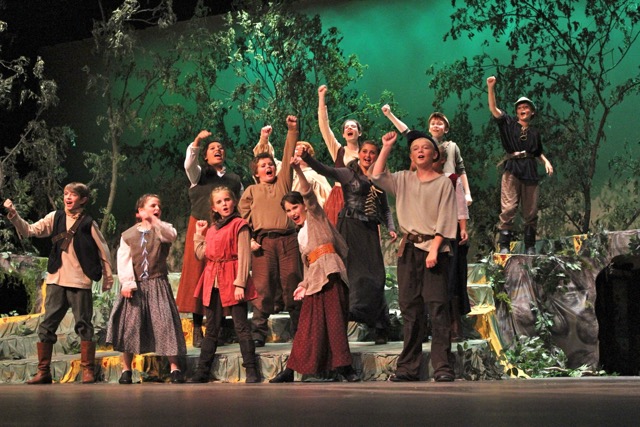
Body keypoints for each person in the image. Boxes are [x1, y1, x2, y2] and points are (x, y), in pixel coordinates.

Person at [3, 182, 113, 384]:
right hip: (56, 280)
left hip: (79, 281)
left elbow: (103, 250)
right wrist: (14, 215)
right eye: (65, 194)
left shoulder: (88, 222)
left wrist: (108, 276)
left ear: (83, 200)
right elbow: (29, 230)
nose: (68, 197)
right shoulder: (56, 217)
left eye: (73, 195)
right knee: (47, 326)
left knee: (84, 325)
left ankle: (87, 369)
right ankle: (43, 371)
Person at [371, 131, 458, 382]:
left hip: (435, 250)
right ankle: (408, 368)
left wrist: (434, 248)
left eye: (425, 147)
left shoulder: (443, 183)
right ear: (411, 156)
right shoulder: (403, 179)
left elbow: (446, 217)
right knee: (410, 309)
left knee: (437, 308)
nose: (420, 150)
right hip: (409, 249)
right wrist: (386, 147)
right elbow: (376, 176)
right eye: (415, 148)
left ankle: (442, 367)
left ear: (435, 155)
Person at [270, 153, 358, 383]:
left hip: (331, 274)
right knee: (307, 327)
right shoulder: (300, 235)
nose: (293, 213)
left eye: (295, 207)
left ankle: (345, 368)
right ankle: (291, 370)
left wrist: (298, 170)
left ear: (303, 207)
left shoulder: (316, 217)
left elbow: (308, 194)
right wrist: (303, 284)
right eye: (288, 211)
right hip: (315, 281)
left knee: (335, 323)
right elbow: (308, 265)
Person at [303, 140, 397, 344]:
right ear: (359, 154)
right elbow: (325, 169)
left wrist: (390, 227)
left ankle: (379, 323)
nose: (368, 156)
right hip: (350, 227)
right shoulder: (348, 173)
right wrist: (307, 158)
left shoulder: (379, 178)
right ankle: (351, 318)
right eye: (365, 152)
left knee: (377, 277)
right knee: (352, 275)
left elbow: (385, 208)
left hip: (369, 229)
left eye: (372, 153)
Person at [107, 194, 187, 384]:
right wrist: (127, 283)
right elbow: (124, 260)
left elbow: (171, 235)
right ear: (140, 211)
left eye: (159, 206)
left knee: (165, 323)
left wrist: (155, 221)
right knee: (130, 327)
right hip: (136, 286)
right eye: (152, 205)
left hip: (157, 283)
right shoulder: (128, 235)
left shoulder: (162, 230)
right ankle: (126, 369)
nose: (157, 208)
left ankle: (174, 368)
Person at [238, 115, 302, 347]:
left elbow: (287, 155)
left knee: (292, 282)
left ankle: (300, 330)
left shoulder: (283, 184)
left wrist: (292, 130)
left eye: (271, 165)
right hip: (263, 244)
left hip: (287, 241)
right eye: (263, 166)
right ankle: (258, 332)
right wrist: (250, 240)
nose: (268, 167)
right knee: (263, 287)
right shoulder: (252, 191)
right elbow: (242, 219)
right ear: (256, 172)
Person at [176, 131, 243, 348]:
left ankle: (219, 328)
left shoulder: (234, 179)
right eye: (212, 148)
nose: (217, 150)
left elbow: (241, 204)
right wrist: (197, 141)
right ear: (205, 156)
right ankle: (197, 328)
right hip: (201, 228)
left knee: (223, 274)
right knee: (197, 275)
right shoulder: (198, 175)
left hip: (225, 229)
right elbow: (189, 163)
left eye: (220, 148)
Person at [189, 186, 260, 383]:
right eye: (219, 202)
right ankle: (202, 372)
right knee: (211, 328)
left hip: (232, 278)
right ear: (214, 207)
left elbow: (244, 255)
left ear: (234, 201)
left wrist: (240, 284)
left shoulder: (240, 225)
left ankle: (251, 370)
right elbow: (201, 254)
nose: (224, 204)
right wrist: (199, 234)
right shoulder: (212, 229)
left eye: (227, 200)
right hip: (213, 280)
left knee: (241, 326)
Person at [486, 76, 554, 255]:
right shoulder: (508, 123)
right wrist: (491, 87)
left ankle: (530, 246)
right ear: (516, 112)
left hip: (530, 170)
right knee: (509, 208)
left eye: (526, 107)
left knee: (531, 211)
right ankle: (504, 245)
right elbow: (493, 109)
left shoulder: (535, 132)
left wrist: (546, 162)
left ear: (532, 112)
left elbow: (537, 152)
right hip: (513, 169)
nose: (523, 109)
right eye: (520, 107)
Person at [381, 104, 473, 205]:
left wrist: (467, 193)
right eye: (433, 124)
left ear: (446, 129)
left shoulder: (452, 146)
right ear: (429, 129)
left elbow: (461, 170)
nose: (435, 126)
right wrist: (389, 114)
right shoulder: (423, 143)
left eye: (439, 124)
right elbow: (407, 132)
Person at [434, 146, 471, 341]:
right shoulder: (420, 179)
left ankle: (455, 324)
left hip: (450, 232)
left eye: (437, 157)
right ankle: (434, 326)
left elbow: (460, 205)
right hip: (429, 232)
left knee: (452, 277)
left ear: (442, 160)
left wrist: (462, 227)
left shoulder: (452, 179)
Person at [253, 127, 332, 207]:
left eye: (303, 149)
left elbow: (329, 199)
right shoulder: (283, 169)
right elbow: (264, 160)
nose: (298, 151)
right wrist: (264, 139)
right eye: (296, 149)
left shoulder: (316, 175)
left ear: (309, 156)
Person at [317, 85, 362, 225]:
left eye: (353, 126)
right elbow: (324, 127)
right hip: (339, 197)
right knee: (338, 233)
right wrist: (321, 97)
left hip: (360, 197)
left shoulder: (366, 153)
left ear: (359, 132)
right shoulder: (338, 150)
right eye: (346, 127)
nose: (349, 128)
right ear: (343, 134)